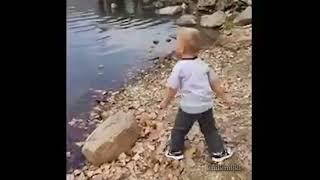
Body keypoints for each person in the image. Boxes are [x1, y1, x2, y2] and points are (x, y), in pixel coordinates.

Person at [160, 27, 235, 162]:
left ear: (181, 49)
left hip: (188, 107)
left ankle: (175, 151)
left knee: (179, 130)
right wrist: (225, 98)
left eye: (177, 43)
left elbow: (172, 87)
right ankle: (219, 152)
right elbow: (215, 84)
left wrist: (166, 101)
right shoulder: (204, 66)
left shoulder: (180, 67)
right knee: (210, 130)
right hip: (205, 105)